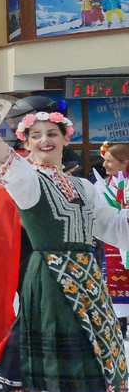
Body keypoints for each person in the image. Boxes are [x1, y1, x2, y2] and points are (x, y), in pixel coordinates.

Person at [0, 111, 129, 392]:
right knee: (61, 341)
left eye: (52, 134)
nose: (44, 140)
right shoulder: (29, 181)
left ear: (66, 138)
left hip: (88, 276)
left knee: (98, 343)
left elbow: (109, 224)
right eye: (35, 135)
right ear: (26, 144)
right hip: (52, 275)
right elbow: (8, 162)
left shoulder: (83, 186)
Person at [100, 142, 129, 336]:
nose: (105, 165)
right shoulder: (105, 183)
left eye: (109, 161)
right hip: (111, 240)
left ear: (124, 162)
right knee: (114, 280)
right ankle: (119, 320)